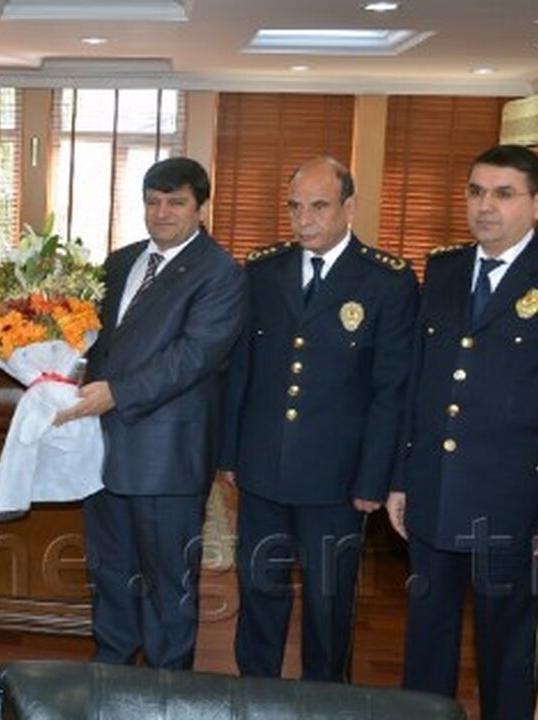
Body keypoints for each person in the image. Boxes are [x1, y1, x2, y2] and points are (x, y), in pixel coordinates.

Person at [218, 156, 417, 682]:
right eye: (295, 207)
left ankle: (325, 701)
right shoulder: (264, 270)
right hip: (263, 468)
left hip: (338, 480)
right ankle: (256, 697)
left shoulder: (387, 281)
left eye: (319, 206)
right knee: (259, 594)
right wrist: (230, 454)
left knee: (329, 606)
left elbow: (391, 391)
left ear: (350, 207)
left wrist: (374, 479)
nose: (303, 219)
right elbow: (242, 370)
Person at [55, 157, 245, 669]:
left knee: (168, 583)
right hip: (103, 447)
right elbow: (98, 342)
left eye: (176, 202)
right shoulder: (121, 262)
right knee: (110, 573)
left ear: (202, 208)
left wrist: (115, 393)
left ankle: (167, 688)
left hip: (167, 455)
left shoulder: (221, 272)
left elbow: (193, 357)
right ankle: (111, 672)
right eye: (153, 201)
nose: (162, 213)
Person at [387, 144, 538, 720]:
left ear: (534, 203)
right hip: (435, 489)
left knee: (506, 649)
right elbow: (419, 382)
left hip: (511, 500)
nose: (485, 206)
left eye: (503, 194)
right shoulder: (445, 269)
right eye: (476, 192)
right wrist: (401, 477)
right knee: (427, 639)